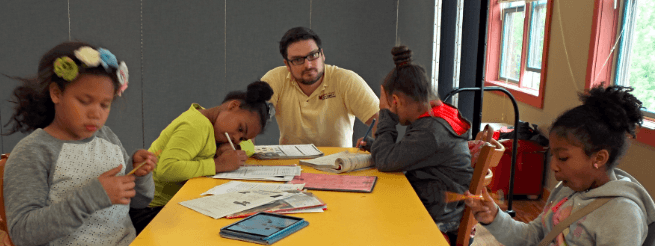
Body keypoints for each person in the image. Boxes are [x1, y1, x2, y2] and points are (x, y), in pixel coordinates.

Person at [2, 42, 157, 245]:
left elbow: (139, 202)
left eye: (105, 104)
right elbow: (22, 233)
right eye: (84, 101)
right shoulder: (34, 152)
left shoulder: (107, 138)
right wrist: (91, 198)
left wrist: (138, 175)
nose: (96, 113)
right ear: (56, 93)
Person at [465, 85, 655, 245]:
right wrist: (495, 217)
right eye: (553, 156)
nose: (553, 166)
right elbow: (532, 237)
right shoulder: (566, 190)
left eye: (563, 158)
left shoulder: (623, 215)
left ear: (599, 158)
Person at [360, 46, 473, 244]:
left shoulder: (431, 132)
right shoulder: (439, 117)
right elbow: (405, 154)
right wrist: (373, 145)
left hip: (440, 218)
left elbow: (386, 161)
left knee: (369, 221)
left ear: (395, 100)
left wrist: (385, 114)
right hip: (443, 207)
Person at [128, 81, 274, 233]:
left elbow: (250, 147)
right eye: (240, 128)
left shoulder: (214, 125)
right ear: (232, 106)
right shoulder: (197, 125)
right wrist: (218, 164)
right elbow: (167, 169)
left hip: (169, 206)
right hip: (150, 211)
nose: (236, 138)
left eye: (242, 138)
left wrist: (233, 147)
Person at [261, 26, 379, 147]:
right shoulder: (275, 79)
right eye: (297, 60)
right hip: (291, 163)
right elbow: (250, 118)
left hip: (337, 163)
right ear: (287, 64)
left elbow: (381, 121)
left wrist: (378, 150)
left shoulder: (346, 80)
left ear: (322, 54)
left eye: (313, 55)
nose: (308, 65)